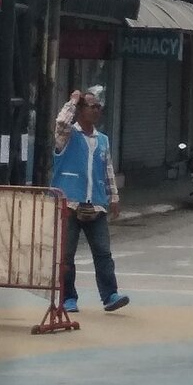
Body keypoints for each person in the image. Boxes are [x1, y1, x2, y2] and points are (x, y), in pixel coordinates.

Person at [53, 90, 129, 314]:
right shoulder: (66, 136)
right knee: (66, 255)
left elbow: (107, 171)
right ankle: (68, 297)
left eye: (98, 107)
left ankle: (110, 295)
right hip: (69, 202)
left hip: (95, 203)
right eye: (92, 106)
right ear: (80, 111)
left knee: (103, 253)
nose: (97, 110)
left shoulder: (102, 140)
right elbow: (61, 121)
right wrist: (73, 100)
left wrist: (113, 197)